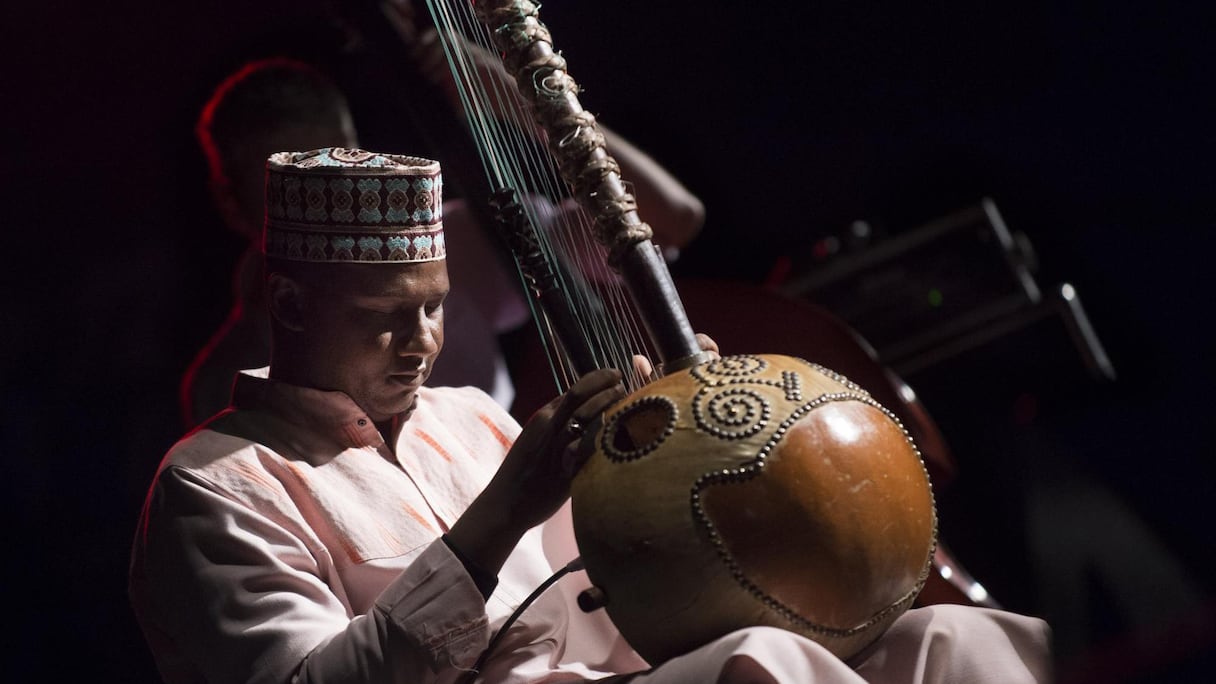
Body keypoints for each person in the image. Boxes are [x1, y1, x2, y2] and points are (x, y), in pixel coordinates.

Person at [130, 148, 1051, 683]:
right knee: (767, 667)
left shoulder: (471, 420)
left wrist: (689, 445)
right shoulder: (216, 485)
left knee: (955, 640)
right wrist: (492, 526)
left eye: (435, 304)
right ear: (290, 307)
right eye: (383, 319)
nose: (420, 342)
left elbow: (650, 577)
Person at [180, 34, 706, 429]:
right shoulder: (224, 382)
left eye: (344, 164)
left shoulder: (453, 244)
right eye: (295, 186)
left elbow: (674, 216)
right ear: (232, 203)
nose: (337, 201)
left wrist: (512, 96)